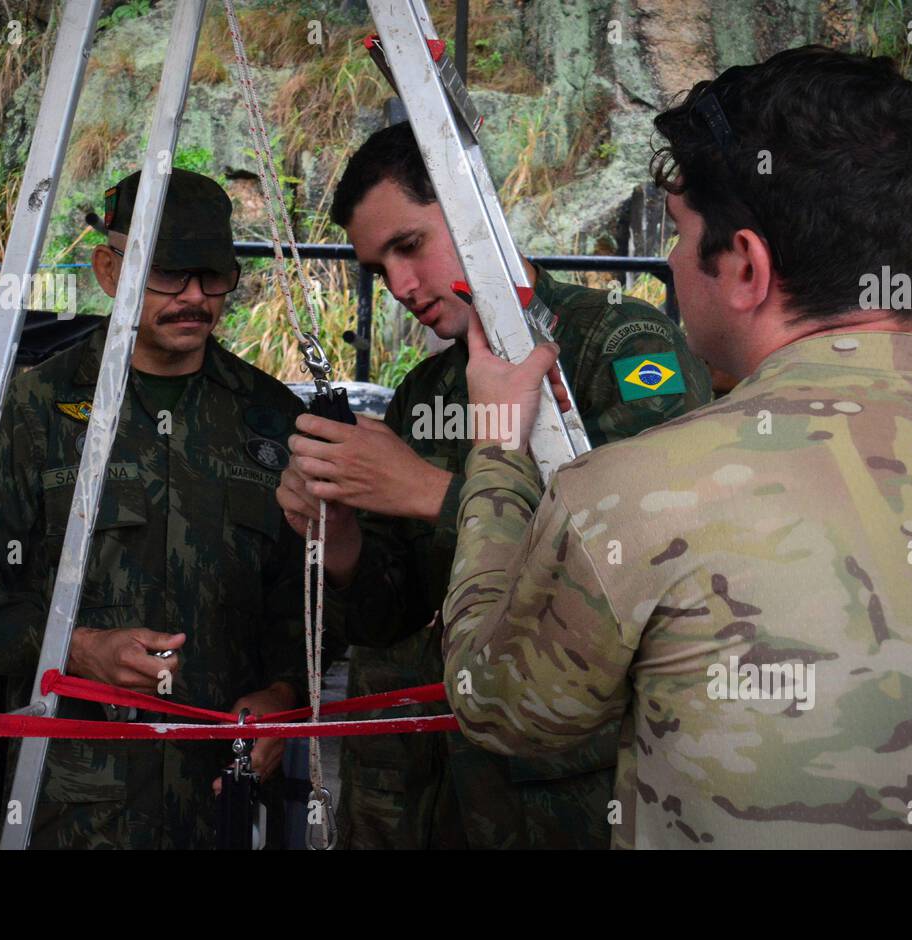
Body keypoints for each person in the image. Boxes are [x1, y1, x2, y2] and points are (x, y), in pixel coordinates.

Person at [440, 45, 912, 849]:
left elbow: (496, 701)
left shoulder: (629, 499)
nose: (669, 260)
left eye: (682, 234)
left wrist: (495, 446)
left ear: (747, 266)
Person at [277, 122, 712, 848]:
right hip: (423, 798)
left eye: (409, 246)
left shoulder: (623, 348)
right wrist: (341, 537)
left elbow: (643, 561)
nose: (401, 288)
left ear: (475, 213)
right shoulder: (425, 391)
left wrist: (426, 490)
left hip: (560, 801)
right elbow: (390, 615)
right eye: (379, 268)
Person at [0, 169, 313, 849]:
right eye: (169, 275)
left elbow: (302, 596)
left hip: (227, 802)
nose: (194, 297)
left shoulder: (270, 420)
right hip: (74, 804)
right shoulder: (36, 412)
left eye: (213, 277)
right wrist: (73, 649)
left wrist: (283, 694)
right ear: (108, 267)